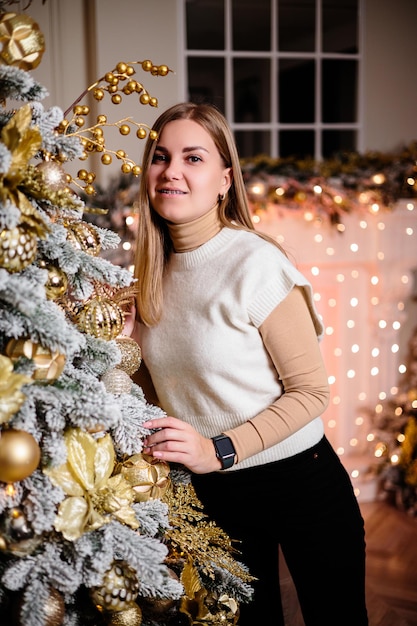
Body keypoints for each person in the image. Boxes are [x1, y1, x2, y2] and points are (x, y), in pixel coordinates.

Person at [125, 101, 369, 625]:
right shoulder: (147, 277)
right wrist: (121, 346)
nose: (171, 171)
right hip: (212, 492)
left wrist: (221, 449)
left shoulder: (255, 262)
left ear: (224, 180)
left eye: (193, 158)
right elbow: (154, 393)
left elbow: (311, 392)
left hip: (299, 481)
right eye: (161, 157)